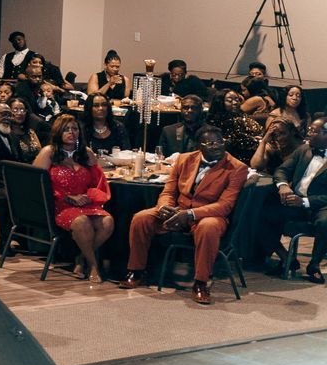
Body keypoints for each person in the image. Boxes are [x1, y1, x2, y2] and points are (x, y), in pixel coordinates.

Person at [120, 126, 250, 304]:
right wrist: (165, 209)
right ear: (200, 146)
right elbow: (169, 191)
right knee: (141, 218)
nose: (217, 146)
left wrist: (189, 214)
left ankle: (200, 283)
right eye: (211, 143)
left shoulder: (237, 168)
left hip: (208, 215)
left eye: (220, 142)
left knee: (208, 227)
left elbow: (224, 205)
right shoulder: (184, 159)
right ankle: (136, 271)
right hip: (178, 210)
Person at [35, 114, 114, 282]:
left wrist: (87, 196)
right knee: (82, 222)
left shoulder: (86, 153)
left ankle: (81, 257)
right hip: (59, 205)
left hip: (85, 204)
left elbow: (98, 183)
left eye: (75, 129)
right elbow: (35, 183)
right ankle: (93, 266)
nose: (71, 133)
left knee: (108, 222)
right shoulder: (48, 152)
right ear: (58, 132)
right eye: (66, 129)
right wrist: (67, 197)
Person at [261, 115, 327, 282]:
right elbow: (282, 170)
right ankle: (286, 258)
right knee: (261, 213)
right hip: (294, 202)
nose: (308, 134)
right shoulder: (304, 150)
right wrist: (283, 185)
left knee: (325, 222)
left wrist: (304, 202)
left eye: (313, 131)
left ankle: (314, 265)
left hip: (319, 206)